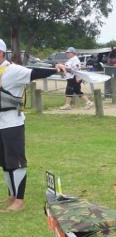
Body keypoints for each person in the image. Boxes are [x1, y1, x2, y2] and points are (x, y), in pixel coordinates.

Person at [0, 39, 68, 212]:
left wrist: (55, 67)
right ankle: (11, 195)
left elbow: (35, 72)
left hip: (12, 123)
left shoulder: (13, 70)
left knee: (16, 162)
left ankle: (19, 201)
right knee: (5, 163)